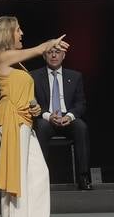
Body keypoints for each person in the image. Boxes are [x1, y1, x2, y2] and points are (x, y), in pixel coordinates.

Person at [0, 17, 62, 217]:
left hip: (25, 120)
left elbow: (23, 92)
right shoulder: (3, 57)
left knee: (38, 173)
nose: (22, 33)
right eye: (18, 30)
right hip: (11, 120)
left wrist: (35, 106)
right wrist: (48, 44)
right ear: (7, 34)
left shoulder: (18, 64)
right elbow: (38, 50)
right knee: (17, 176)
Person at [31, 47, 92, 189]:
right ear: (44, 56)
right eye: (50, 52)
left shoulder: (75, 76)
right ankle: (40, 180)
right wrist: (47, 116)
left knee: (81, 127)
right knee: (40, 127)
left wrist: (70, 117)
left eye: (57, 52)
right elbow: (32, 103)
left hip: (67, 117)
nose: (53, 55)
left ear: (63, 56)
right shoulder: (33, 76)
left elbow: (81, 104)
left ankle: (83, 177)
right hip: (46, 117)